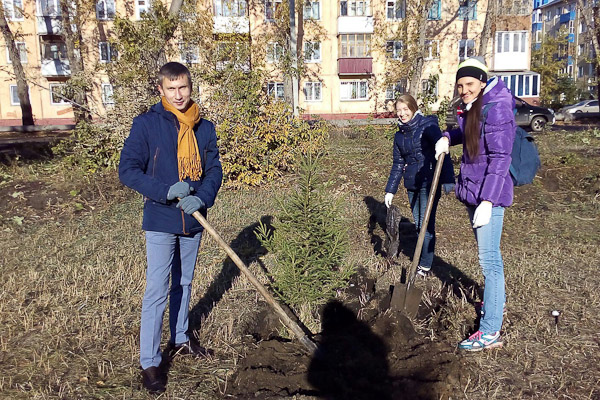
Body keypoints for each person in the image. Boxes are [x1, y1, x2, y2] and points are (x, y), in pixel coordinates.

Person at [119, 62, 223, 393]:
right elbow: (128, 170)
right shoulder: (147, 124)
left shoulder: (204, 128)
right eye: (171, 89)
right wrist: (165, 191)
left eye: (184, 88)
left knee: (185, 281)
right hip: (161, 217)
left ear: (191, 89)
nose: (178, 95)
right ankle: (149, 362)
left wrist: (201, 198)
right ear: (161, 90)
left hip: (193, 217)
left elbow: (214, 170)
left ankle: (180, 338)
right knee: (157, 288)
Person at [435, 57, 516, 351]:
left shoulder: (497, 108)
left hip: (488, 194)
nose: (464, 89)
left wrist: (488, 200)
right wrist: (447, 137)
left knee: (490, 262)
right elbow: (470, 134)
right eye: (460, 85)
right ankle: (493, 300)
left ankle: (491, 330)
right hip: (474, 189)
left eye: (469, 84)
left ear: (482, 82)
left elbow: (500, 159)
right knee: (488, 258)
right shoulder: (473, 107)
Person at [384, 94, 454, 275]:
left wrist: (447, 179)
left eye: (405, 109)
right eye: (398, 111)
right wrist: (390, 190)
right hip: (412, 183)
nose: (402, 114)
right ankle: (423, 260)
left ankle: (424, 265)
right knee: (418, 225)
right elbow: (398, 164)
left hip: (429, 181)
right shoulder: (399, 136)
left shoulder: (428, 126)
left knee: (425, 225)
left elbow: (442, 153)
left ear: (413, 108)